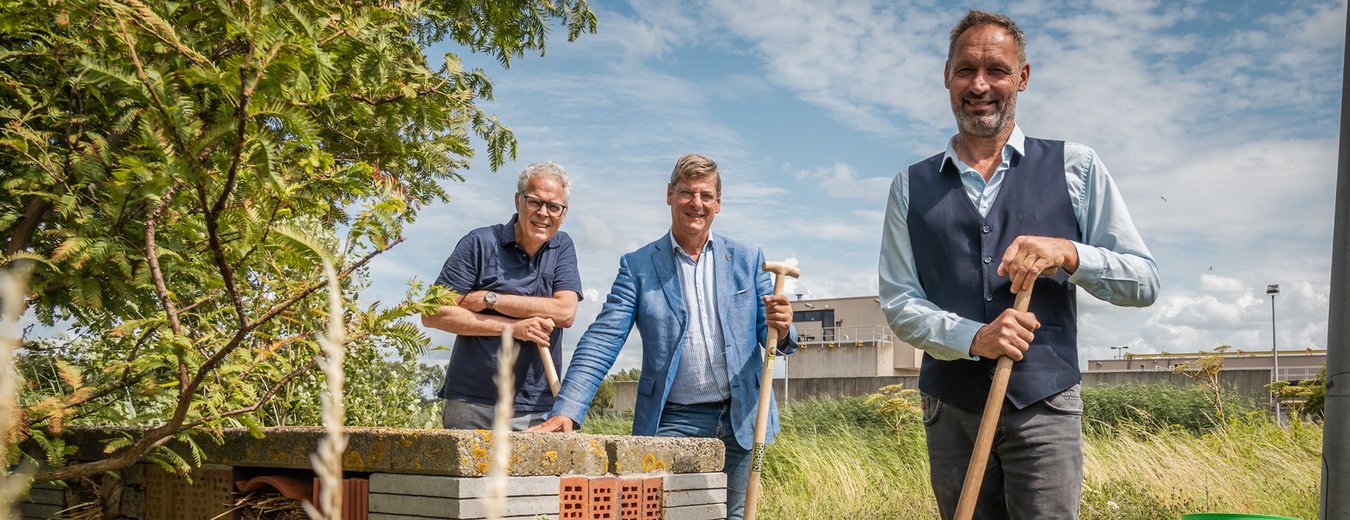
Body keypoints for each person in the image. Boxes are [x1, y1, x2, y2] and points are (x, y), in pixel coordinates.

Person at [878, 10, 1160, 520]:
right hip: (952, 411)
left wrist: (1072, 254)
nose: (979, 85)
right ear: (947, 76)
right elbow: (899, 302)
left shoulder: (1077, 167)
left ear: (1022, 78)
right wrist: (973, 337)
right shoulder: (909, 187)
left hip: (1045, 406)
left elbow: (1143, 281)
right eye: (966, 70)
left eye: (997, 70)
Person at [528, 153, 797, 520]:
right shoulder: (638, 266)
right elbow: (604, 337)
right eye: (687, 193)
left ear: (718, 203)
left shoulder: (749, 260)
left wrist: (782, 327)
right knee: (667, 514)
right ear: (670, 194)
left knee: (733, 515)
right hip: (674, 419)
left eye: (705, 195)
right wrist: (569, 409)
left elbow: (770, 335)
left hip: (743, 415)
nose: (696, 204)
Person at [422, 162, 582, 431]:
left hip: (535, 407)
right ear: (518, 200)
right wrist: (513, 328)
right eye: (534, 202)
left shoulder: (562, 246)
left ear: (563, 214)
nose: (544, 213)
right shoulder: (479, 243)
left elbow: (565, 312)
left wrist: (489, 299)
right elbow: (434, 313)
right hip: (471, 403)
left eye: (554, 207)